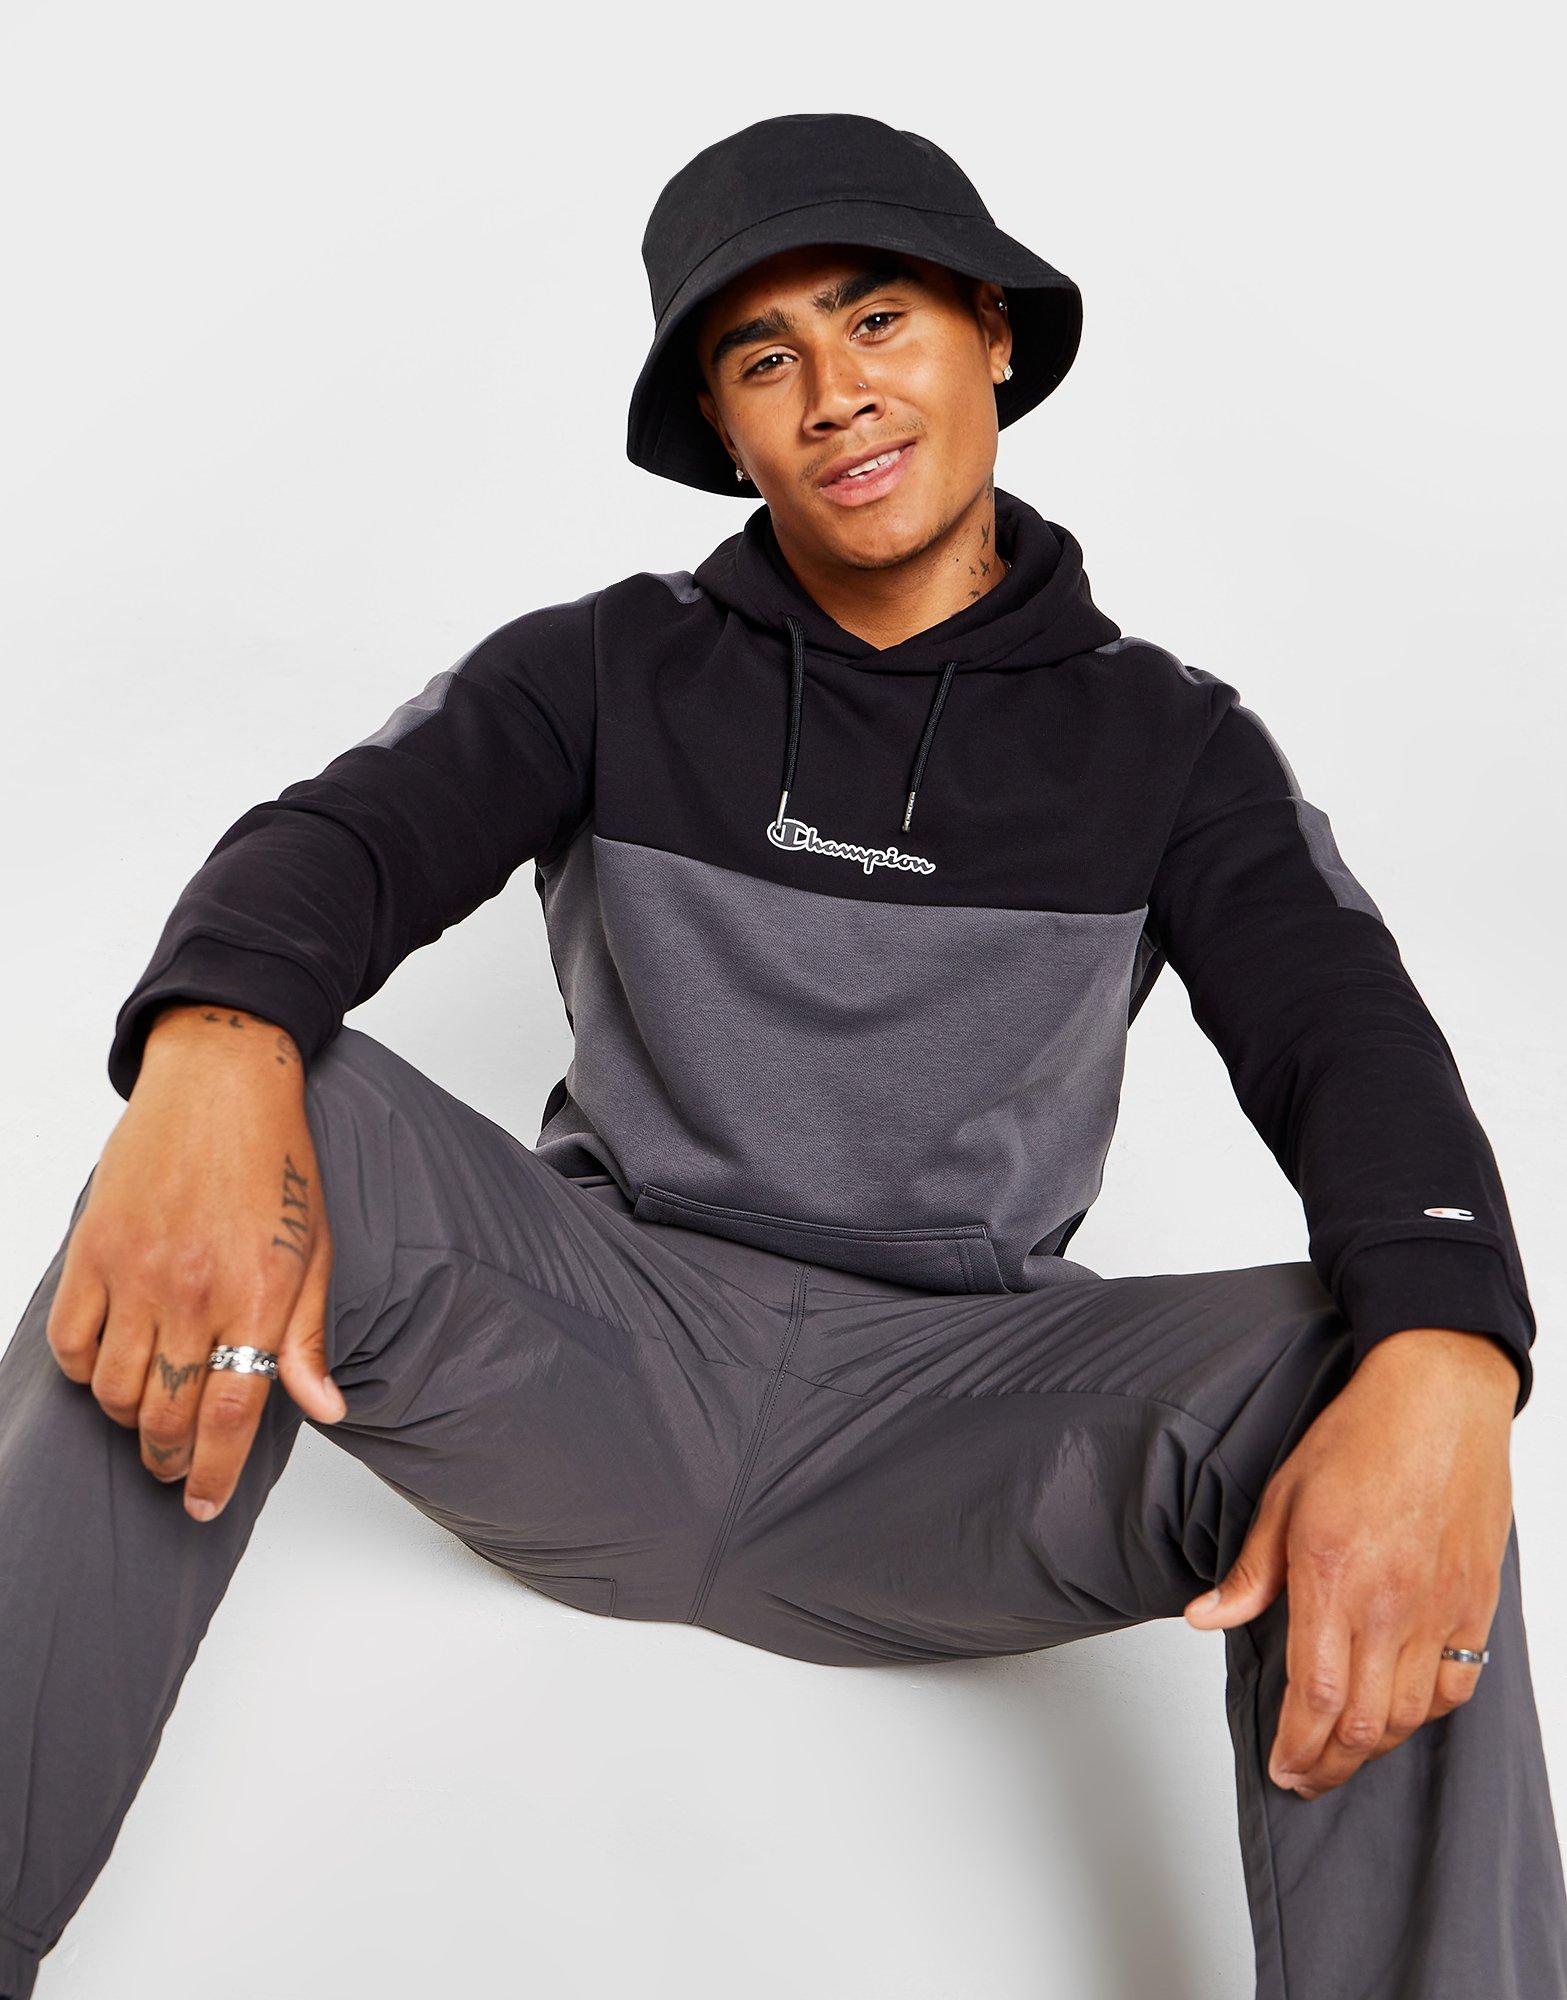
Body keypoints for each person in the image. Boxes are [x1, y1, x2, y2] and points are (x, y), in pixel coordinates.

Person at [1, 110, 1562, 2000]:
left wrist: (1453, 1356)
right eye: (765, 359)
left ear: (992, 333)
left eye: (877, 318)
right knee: (250, 1106)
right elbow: (339, 842)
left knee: (1389, 1374)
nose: (835, 395)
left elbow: (1356, 1047)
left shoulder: (1177, 749)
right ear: (725, 429)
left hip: (955, 1441)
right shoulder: (601, 665)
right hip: (592, 1365)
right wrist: (210, 1048)